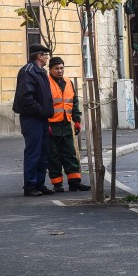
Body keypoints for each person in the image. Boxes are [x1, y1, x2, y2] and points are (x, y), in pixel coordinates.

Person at [14, 43, 55, 196]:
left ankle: (39, 183)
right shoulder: (29, 71)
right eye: (45, 55)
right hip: (32, 118)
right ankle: (30, 185)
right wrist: (40, 110)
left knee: (43, 152)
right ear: (39, 56)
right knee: (33, 152)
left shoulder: (40, 71)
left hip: (41, 118)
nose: (47, 57)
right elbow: (25, 97)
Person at [46, 56, 91, 192]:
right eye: (57, 69)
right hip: (52, 124)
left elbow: (74, 103)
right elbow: (44, 105)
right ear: (50, 69)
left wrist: (77, 120)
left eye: (62, 68)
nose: (60, 71)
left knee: (70, 154)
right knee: (53, 156)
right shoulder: (46, 83)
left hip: (66, 123)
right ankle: (57, 184)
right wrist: (45, 123)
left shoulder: (68, 83)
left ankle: (74, 182)